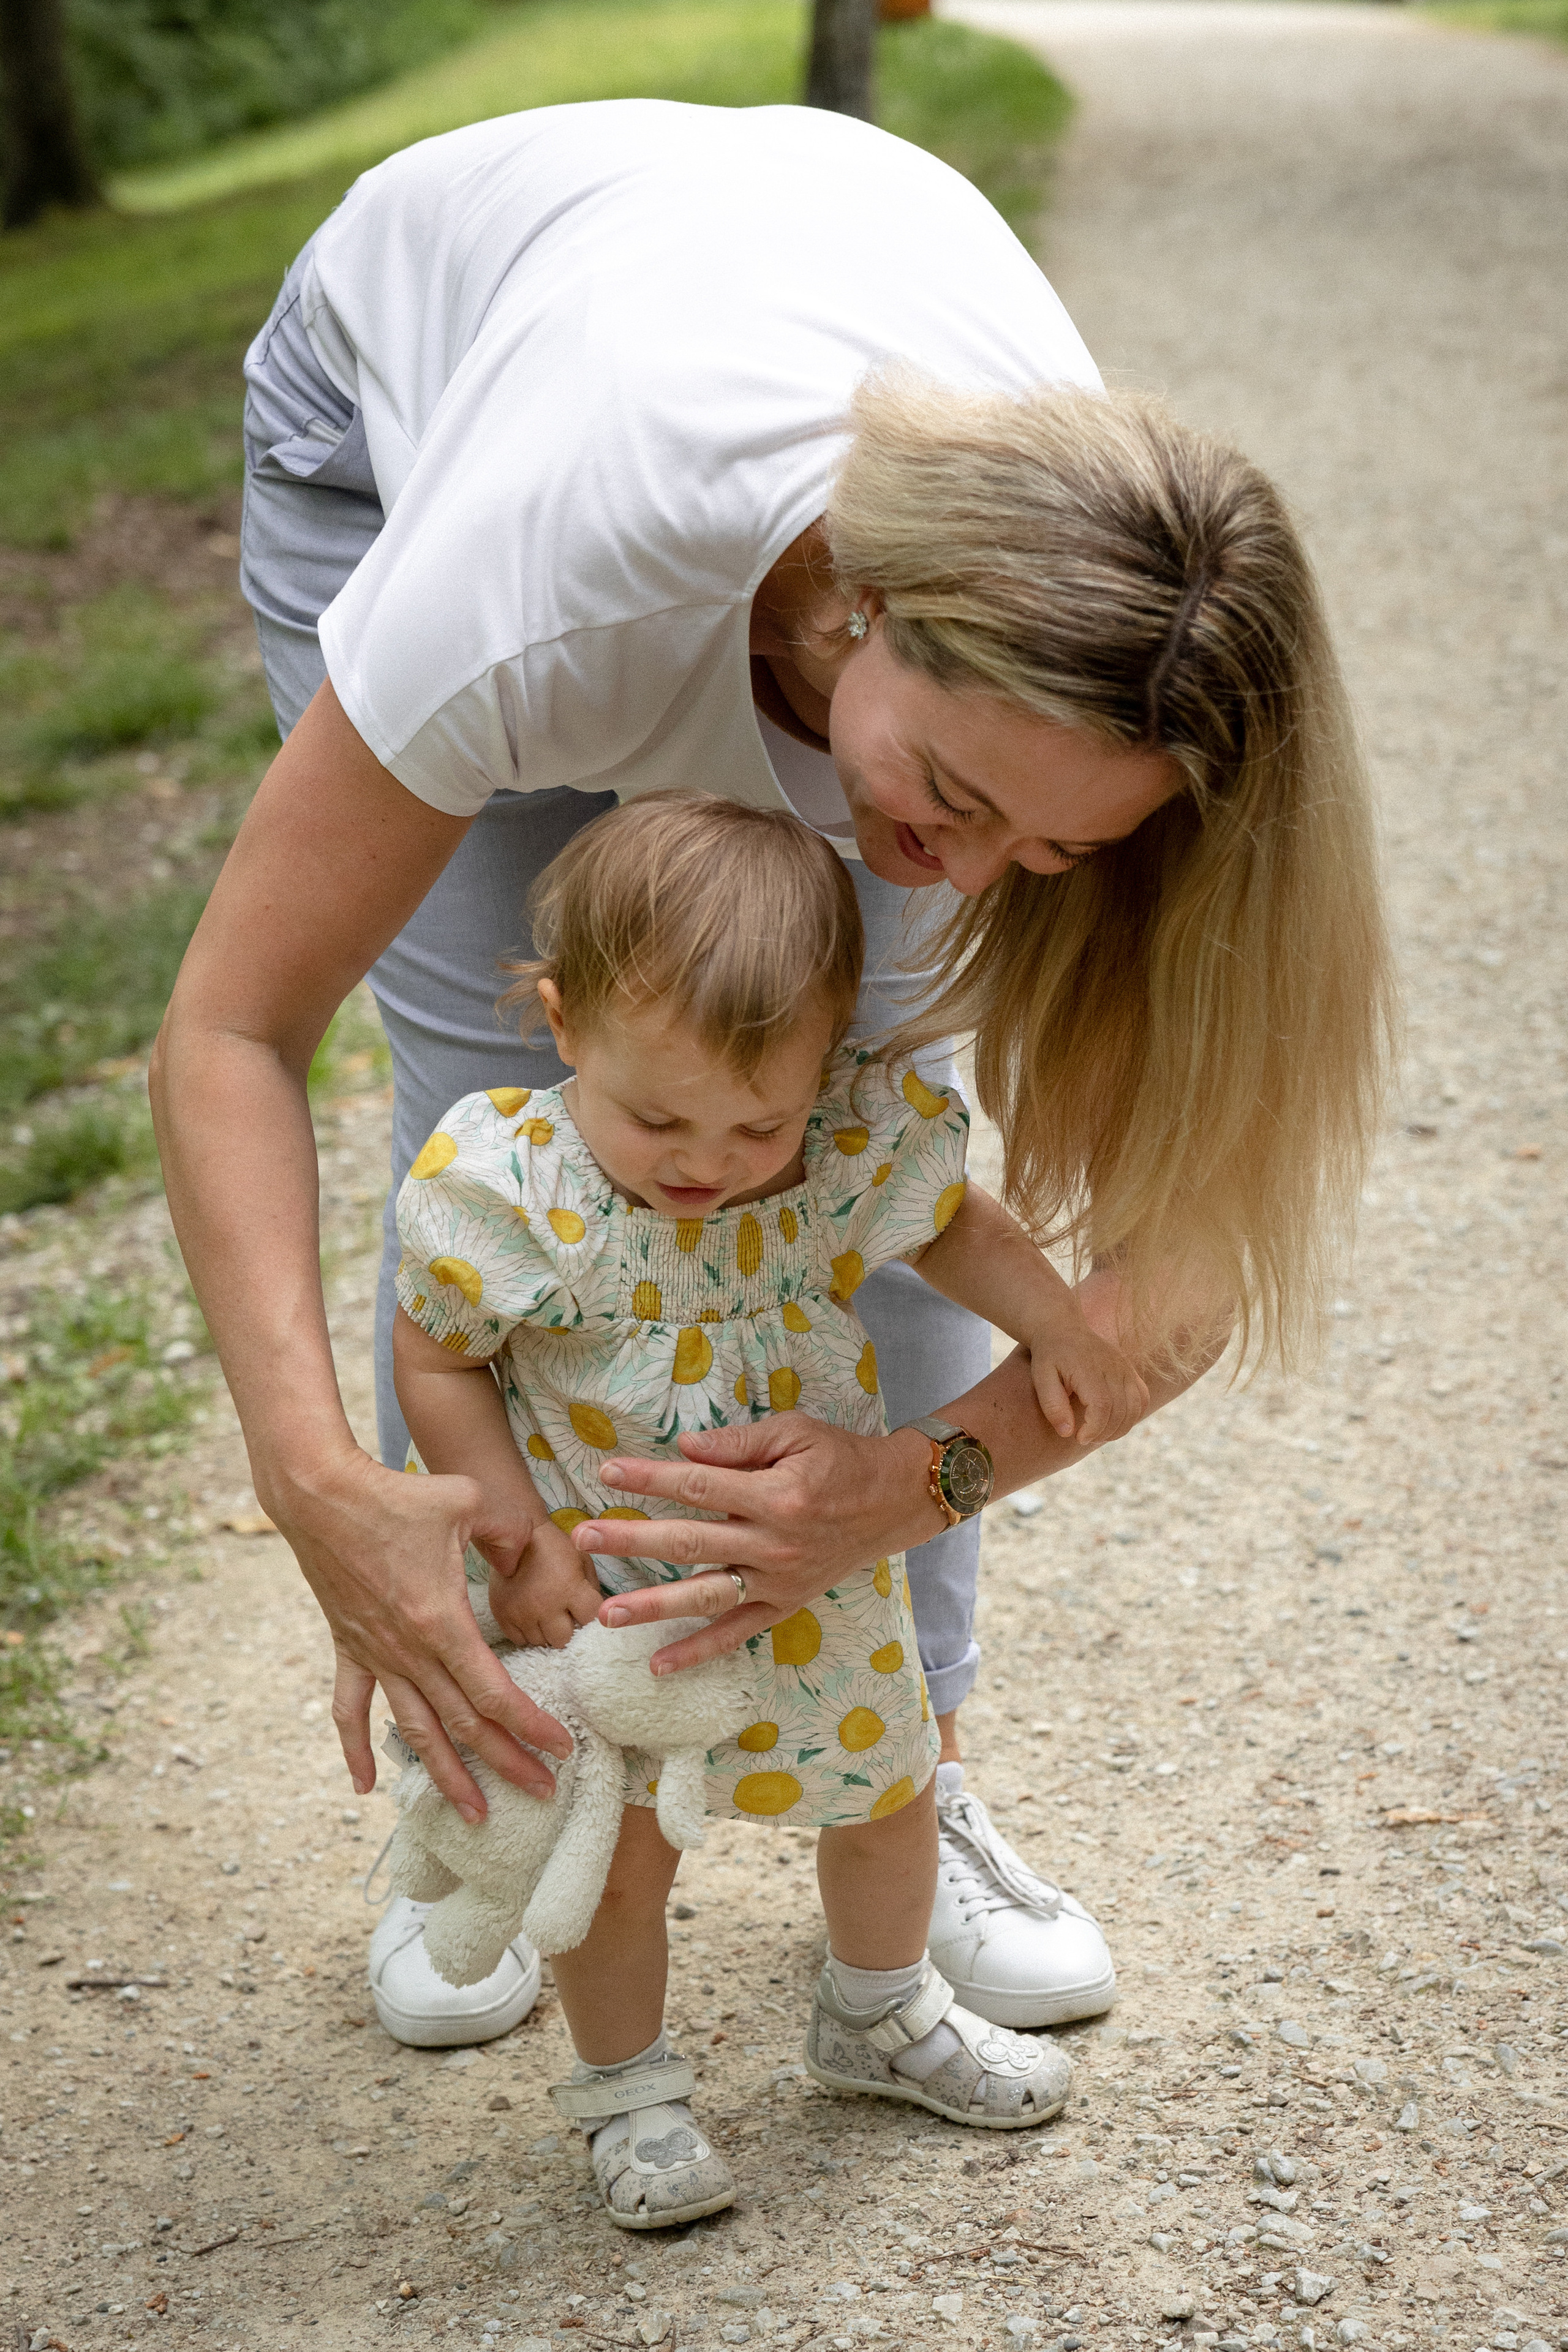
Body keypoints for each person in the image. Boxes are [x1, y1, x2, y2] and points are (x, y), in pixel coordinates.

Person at [149, 100, 1394, 2048]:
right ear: (870, 611)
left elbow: (1172, 1282)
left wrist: (906, 1487)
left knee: (837, 1117)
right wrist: (314, 1477)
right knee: (549, 1107)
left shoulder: (1106, 670)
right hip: (421, 412)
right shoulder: (545, 577)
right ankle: (493, 1776)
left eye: (1052, 856)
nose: (976, 881)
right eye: (961, 801)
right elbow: (229, 1029)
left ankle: (910, 1761)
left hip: (807, 284)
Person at [392, 793, 1148, 2222]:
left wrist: (1054, 1324)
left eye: (758, 1118)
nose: (706, 1160)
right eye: (657, 1115)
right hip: (620, 1596)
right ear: (561, 1025)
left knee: (887, 1786)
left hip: (816, 1570)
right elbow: (436, 1354)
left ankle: (879, 2010)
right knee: (617, 1849)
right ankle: (629, 2096)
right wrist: (512, 1534)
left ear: (831, 1059)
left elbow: (948, 1221)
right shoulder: (514, 1186)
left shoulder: (845, 1142)